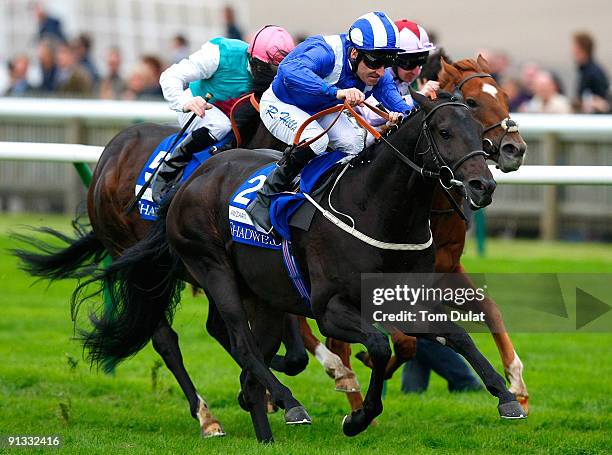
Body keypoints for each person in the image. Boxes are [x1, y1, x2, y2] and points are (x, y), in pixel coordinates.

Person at [247, 12, 410, 232]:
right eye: (376, 61)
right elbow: (288, 69)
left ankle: (327, 200)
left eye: (388, 62)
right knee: (317, 141)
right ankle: (265, 197)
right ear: (354, 53)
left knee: (354, 144)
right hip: (282, 104)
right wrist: (335, 92)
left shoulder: (378, 74)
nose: (381, 71)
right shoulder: (326, 52)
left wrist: (405, 116)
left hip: (320, 108)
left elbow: (402, 106)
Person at [151, 25, 296, 203]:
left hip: (236, 119)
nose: (270, 76)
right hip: (199, 107)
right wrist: (184, 102)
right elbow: (171, 75)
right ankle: (170, 168)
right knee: (220, 125)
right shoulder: (220, 54)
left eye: (276, 70)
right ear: (253, 59)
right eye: (267, 69)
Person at [572, 32, 610, 113]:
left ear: (581, 49)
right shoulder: (584, 70)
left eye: (574, 47)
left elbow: (604, 102)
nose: (572, 50)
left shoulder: (594, 72)